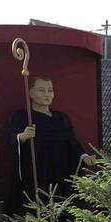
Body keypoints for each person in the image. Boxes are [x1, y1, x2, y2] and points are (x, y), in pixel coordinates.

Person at [10, 76, 96, 207]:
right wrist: (23, 136)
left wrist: (84, 156)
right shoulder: (23, 116)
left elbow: (72, 141)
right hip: (39, 170)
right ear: (31, 93)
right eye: (41, 90)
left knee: (64, 201)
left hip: (62, 169)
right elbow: (13, 139)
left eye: (50, 90)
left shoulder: (62, 118)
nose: (47, 94)